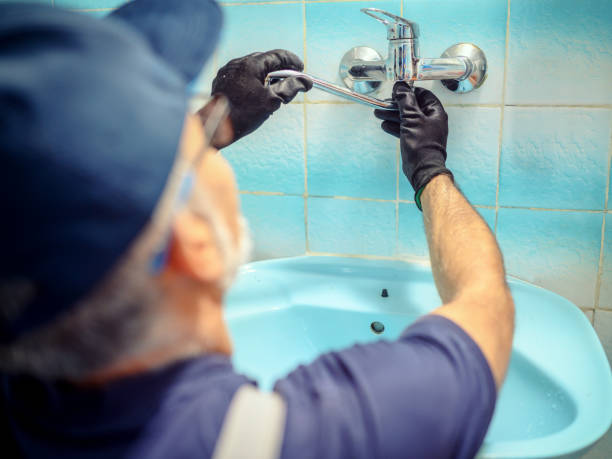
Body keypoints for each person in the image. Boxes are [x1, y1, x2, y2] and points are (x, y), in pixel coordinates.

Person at [0, 1, 514, 458]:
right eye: (187, 148)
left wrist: (215, 123)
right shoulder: (310, 437)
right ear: (194, 243)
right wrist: (429, 169)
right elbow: (485, 302)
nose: (203, 141)